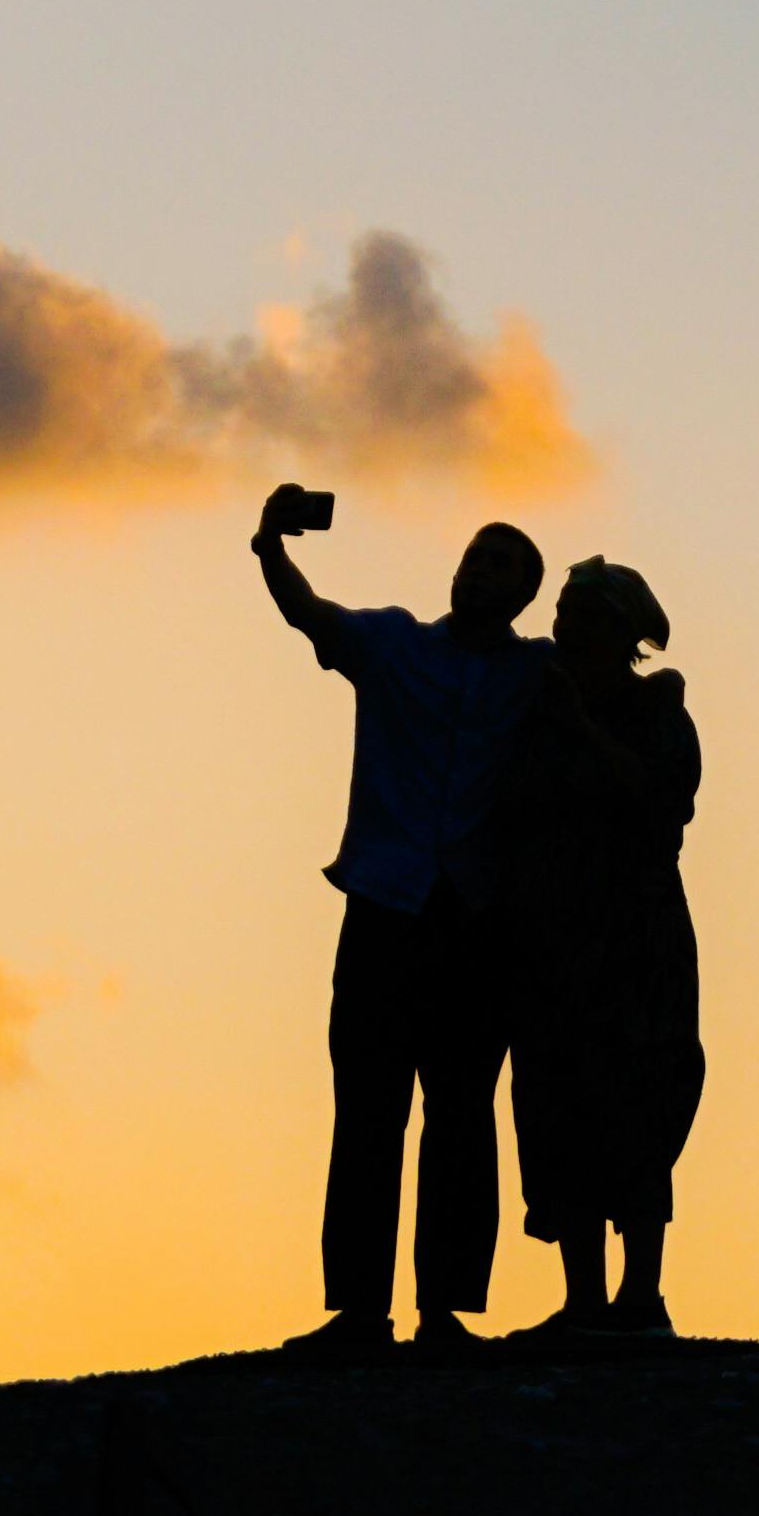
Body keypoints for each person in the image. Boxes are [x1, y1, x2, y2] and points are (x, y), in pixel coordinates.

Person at [252, 483, 552, 1363]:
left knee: (462, 1114)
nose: (481, 570)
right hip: (385, 911)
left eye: (503, 564)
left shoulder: (538, 673)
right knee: (369, 1113)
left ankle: (447, 1311)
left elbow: (607, 670)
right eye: (475, 554)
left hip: (476, 922)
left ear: (525, 595)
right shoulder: (391, 642)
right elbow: (308, 612)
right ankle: (358, 1311)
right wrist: (271, 543)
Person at [504, 555, 704, 1352]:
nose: (564, 626)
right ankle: (583, 1296)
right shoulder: (535, 710)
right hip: (551, 934)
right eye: (563, 611)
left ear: (622, 631)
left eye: (583, 614)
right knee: (554, 1103)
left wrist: (583, 731)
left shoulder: (658, 714)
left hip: (636, 937)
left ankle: (640, 1294)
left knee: (636, 1100)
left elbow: (659, 805)